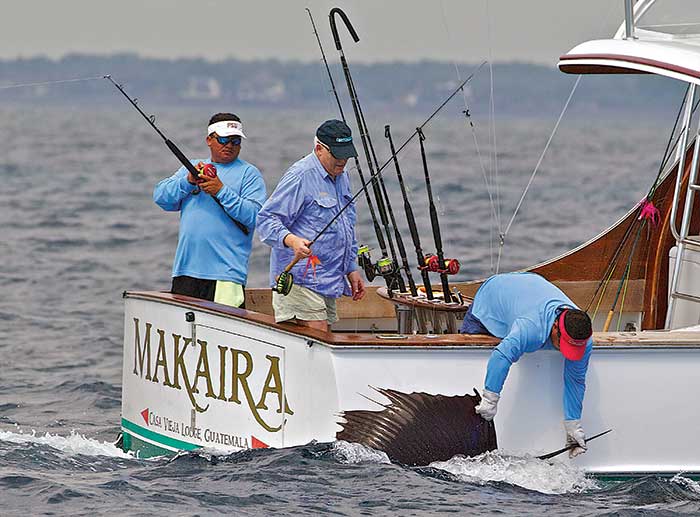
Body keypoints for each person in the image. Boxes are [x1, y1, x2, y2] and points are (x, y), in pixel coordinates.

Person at [460, 271, 593, 458]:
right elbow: (501, 355)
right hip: (493, 297)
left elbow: (575, 380)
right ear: (555, 327)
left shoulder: (584, 340)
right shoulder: (531, 327)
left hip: (531, 287)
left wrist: (573, 425)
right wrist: (490, 399)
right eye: (564, 345)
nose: (566, 352)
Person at [256, 119, 366, 331]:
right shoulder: (300, 175)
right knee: (319, 341)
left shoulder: (341, 176)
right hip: (299, 280)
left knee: (324, 339)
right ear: (319, 149)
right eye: (337, 154)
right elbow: (266, 219)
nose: (343, 160)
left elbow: (347, 226)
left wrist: (351, 268)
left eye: (346, 154)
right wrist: (292, 240)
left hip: (329, 279)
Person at [153, 113, 266, 308]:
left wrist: (221, 191)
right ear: (209, 140)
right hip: (186, 271)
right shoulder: (191, 169)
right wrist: (187, 181)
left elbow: (256, 217)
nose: (229, 145)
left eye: (235, 140)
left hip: (226, 275)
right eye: (223, 139)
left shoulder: (250, 174)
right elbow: (161, 198)